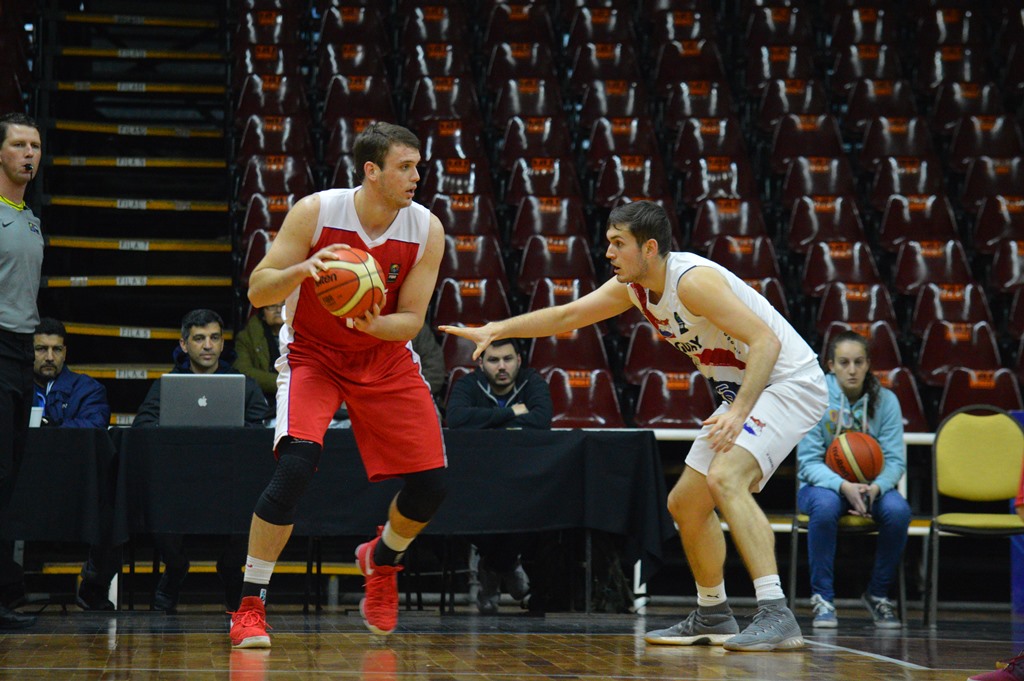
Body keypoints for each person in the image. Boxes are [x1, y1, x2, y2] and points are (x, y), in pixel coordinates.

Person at [442, 200, 827, 652]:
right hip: (743, 393)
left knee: (727, 479)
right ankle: (713, 613)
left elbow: (765, 341)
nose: (608, 252)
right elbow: (568, 316)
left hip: (787, 381)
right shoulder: (636, 287)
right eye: (608, 242)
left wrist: (739, 410)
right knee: (685, 504)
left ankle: (776, 613)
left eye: (617, 243)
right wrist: (498, 327)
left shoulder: (693, 281)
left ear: (648, 248)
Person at [229, 121, 447, 648]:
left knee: (432, 486)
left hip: (385, 355)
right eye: (405, 167)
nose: (417, 176)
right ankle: (250, 605)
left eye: (418, 165)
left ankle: (381, 560)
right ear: (371, 171)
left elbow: (413, 320)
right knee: (295, 466)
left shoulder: (426, 228)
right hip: (313, 355)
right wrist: (304, 269)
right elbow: (259, 291)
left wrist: (373, 324)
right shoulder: (318, 212)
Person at [134, 309, 271, 611]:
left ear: (223, 344)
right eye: (199, 339)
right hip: (179, 480)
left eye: (214, 338)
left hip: (230, 479)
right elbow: (143, 426)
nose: (207, 345)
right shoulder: (167, 385)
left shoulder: (244, 384)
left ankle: (231, 569)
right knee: (154, 500)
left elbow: (260, 428)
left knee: (255, 502)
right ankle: (176, 567)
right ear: (184, 345)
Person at [796, 331, 911, 629]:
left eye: (859, 362)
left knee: (898, 511)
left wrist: (875, 488)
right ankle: (823, 597)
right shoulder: (815, 398)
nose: (852, 369)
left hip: (872, 486)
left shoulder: (886, 401)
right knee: (824, 506)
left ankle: (877, 594)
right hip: (820, 487)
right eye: (844, 362)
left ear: (868, 365)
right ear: (830, 365)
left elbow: (895, 459)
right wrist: (843, 486)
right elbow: (807, 461)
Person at [446, 338, 552, 613]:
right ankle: (509, 566)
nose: (502, 367)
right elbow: (456, 418)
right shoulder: (468, 384)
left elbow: (541, 419)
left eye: (508, 359)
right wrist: (510, 413)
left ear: (519, 359)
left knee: (535, 509)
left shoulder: (532, 381)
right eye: (493, 360)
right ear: (481, 363)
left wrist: (487, 419)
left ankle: (491, 569)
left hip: (523, 478)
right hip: (477, 480)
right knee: (468, 510)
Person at [0, 112, 41, 630]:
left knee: (8, 479)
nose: (29, 153)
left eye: (35, 144)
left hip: (21, 352)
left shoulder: (29, 216)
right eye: (18, 145)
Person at [32, 317, 110, 428]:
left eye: (57, 349)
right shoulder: (13, 387)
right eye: (41, 349)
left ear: (64, 353)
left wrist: (51, 427)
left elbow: (95, 426)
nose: (50, 357)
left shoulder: (88, 389)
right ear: (29, 350)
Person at [233, 304, 285, 408]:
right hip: (261, 400)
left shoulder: (302, 335)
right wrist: (285, 383)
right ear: (262, 313)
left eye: (283, 305)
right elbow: (243, 371)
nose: (278, 310)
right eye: (272, 306)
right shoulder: (247, 336)